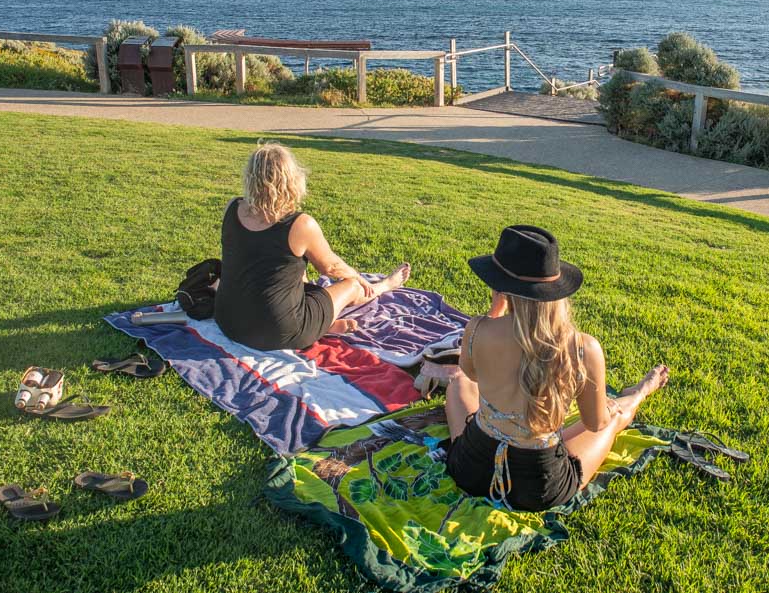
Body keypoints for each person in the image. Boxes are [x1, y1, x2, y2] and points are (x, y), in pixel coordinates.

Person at [445, 225, 668, 512]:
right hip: (538, 484)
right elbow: (594, 423)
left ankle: (535, 429)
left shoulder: (477, 329)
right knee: (611, 418)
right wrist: (607, 408)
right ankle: (638, 393)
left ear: (499, 286)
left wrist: (495, 311)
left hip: (472, 469)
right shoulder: (582, 349)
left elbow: (471, 374)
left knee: (457, 384)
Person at [214, 142, 410, 351]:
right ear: (291, 179)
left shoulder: (232, 207)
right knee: (351, 286)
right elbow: (332, 267)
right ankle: (386, 285)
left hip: (229, 320)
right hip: (275, 332)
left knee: (297, 272)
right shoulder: (299, 224)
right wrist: (358, 277)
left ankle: (323, 325)